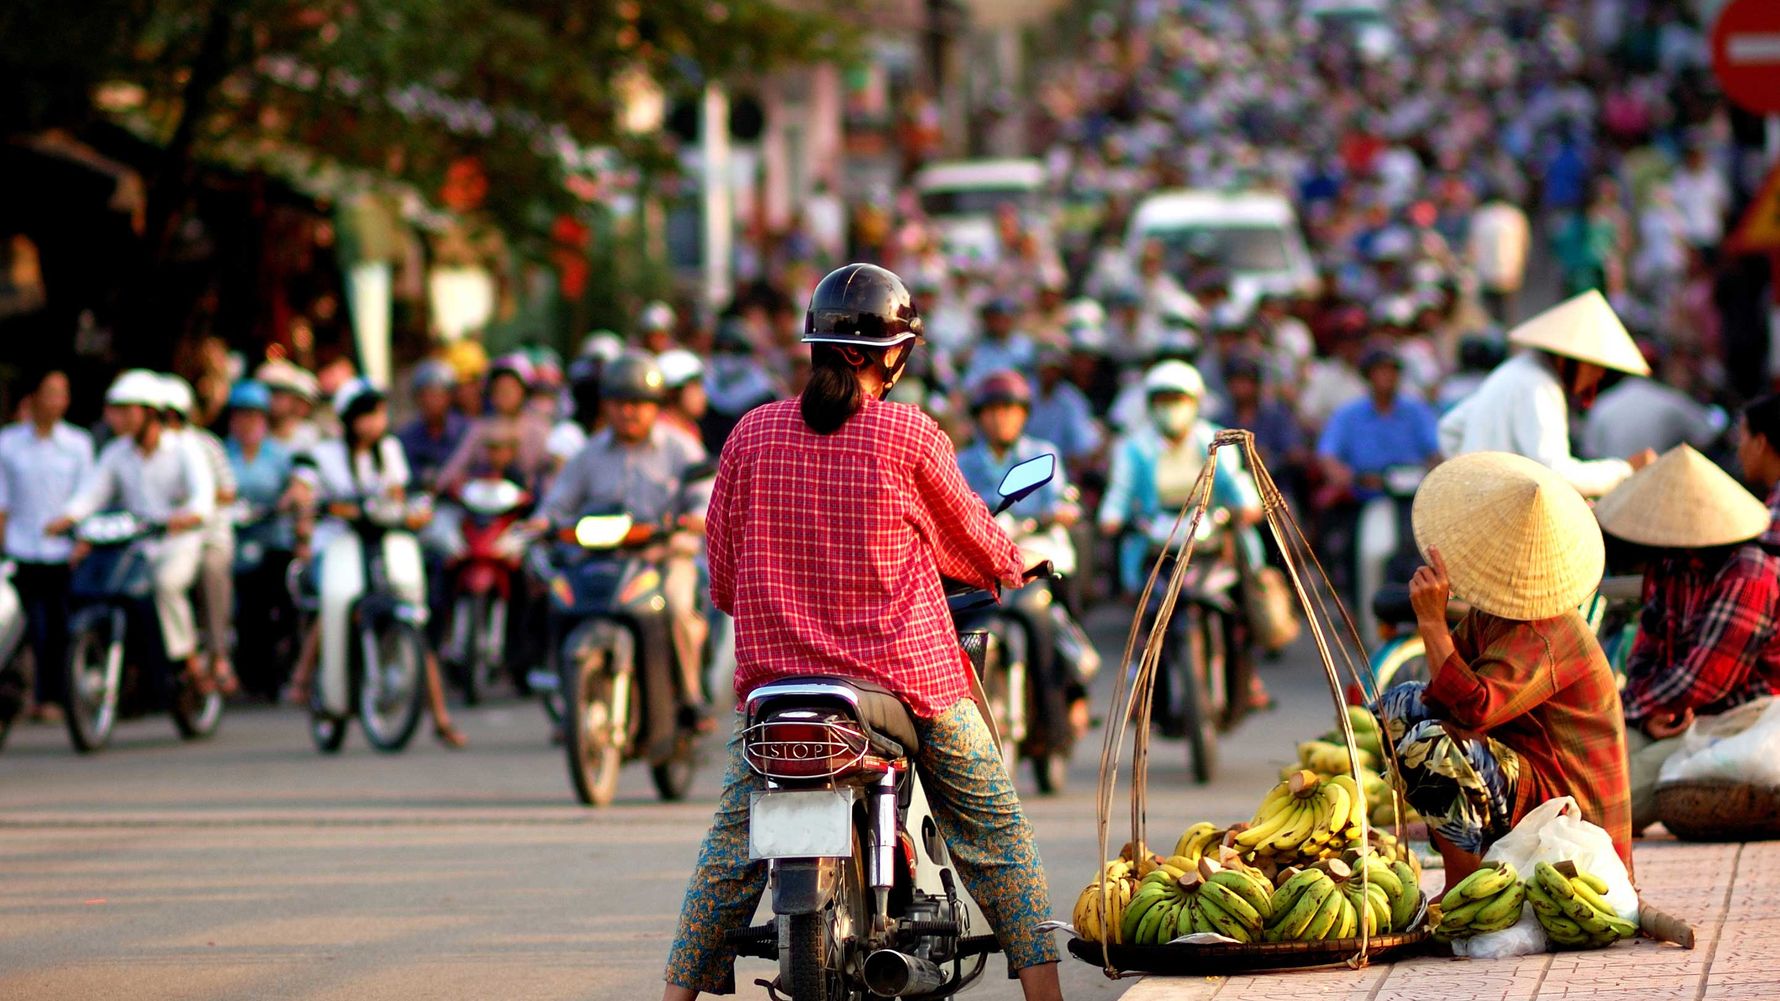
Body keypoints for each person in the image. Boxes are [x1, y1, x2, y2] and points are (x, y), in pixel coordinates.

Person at [662, 264, 1063, 1001]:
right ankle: (1046, 991)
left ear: (816, 346)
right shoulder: (910, 433)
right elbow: (973, 542)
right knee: (998, 836)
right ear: (892, 354)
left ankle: (676, 995)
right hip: (902, 680)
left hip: (780, 693)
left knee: (727, 856)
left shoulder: (751, 434)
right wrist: (1019, 560)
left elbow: (721, 578)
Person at [1375, 451, 1631, 886]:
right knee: (1400, 707)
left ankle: (1463, 891)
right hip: (1531, 785)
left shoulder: (1545, 632)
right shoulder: (1491, 615)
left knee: (1435, 748)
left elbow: (1474, 711)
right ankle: (1473, 858)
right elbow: (1443, 694)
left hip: (1575, 825)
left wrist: (1433, 624)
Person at [1602, 432, 1780, 833]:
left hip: (1738, 722)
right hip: (1674, 714)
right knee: (1585, 766)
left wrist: (1634, 709)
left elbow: (1703, 679)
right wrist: (1643, 716)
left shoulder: (1749, 571)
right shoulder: (1671, 565)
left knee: (1612, 802)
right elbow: (1644, 657)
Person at [285, 379, 464, 747]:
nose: (373, 423)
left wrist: (410, 512)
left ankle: (440, 716)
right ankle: (305, 676)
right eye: (366, 415)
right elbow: (301, 487)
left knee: (413, 613)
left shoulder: (390, 450)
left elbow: (398, 496)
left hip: (384, 541)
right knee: (335, 599)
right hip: (337, 542)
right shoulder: (325, 453)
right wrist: (304, 503)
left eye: (378, 415)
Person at [537, 354, 710, 724]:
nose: (628, 412)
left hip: (663, 555)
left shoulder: (680, 448)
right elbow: (559, 502)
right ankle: (560, 682)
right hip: (601, 557)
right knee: (558, 593)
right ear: (606, 405)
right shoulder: (588, 454)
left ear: (655, 407)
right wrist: (541, 523)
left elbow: (704, 495)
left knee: (679, 606)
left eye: (638, 404)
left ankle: (691, 697)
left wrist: (692, 517)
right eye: (619, 403)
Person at [46, 369, 218, 693]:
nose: (118, 418)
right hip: (134, 545)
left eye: (127, 410)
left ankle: (188, 662)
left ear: (150, 413)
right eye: (116, 410)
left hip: (177, 541)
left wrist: (187, 516)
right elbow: (92, 493)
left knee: (166, 585)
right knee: (103, 588)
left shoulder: (185, 448)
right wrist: (67, 518)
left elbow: (202, 499)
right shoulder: (116, 452)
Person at [1438, 290, 1657, 498]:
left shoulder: (1516, 370)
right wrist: (1624, 470)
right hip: (1504, 515)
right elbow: (1556, 474)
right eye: (1596, 368)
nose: (1598, 377)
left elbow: (1450, 428)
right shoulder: (1539, 385)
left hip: (1481, 505)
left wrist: (1473, 476)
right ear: (1574, 359)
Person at [1098, 361, 1261, 595]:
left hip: (1210, 524)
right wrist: (1111, 518)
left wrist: (1247, 506)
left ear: (1194, 403)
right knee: (1137, 588)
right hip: (1156, 530)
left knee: (1248, 565)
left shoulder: (1215, 440)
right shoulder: (1134, 447)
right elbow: (1120, 491)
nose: (1171, 408)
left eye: (1178, 400)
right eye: (1163, 400)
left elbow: (1236, 480)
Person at [0, 370, 93, 721]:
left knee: (56, 627)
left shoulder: (78, 444)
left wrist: (82, 538)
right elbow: (2, 501)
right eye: (51, 392)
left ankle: (52, 697)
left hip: (62, 552)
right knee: (20, 627)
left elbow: (87, 495)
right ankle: (19, 695)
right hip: (21, 549)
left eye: (63, 393)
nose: (58, 400)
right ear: (33, 397)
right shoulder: (8, 443)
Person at [160, 374, 242, 696]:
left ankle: (219, 655)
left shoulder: (204, 444)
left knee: (212, 569)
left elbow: (228, 490)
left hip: (208, 532)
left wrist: (197, 505)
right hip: (161, 537)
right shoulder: (141, 450)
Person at [435, 354, 554, 495]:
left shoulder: (539, 428)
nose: (505, 394)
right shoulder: (480, 428)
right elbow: (456, 465)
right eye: (499, 389)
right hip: (485, 499)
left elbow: (551, 470)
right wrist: (442, 486)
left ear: (523, 390)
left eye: (511, 388)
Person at [395, 360, 468, 493]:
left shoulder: (467, 430)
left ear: (450, 397)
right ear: (417, 398)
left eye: (439, 394)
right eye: (426, 395)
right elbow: (404, 476)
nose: (432, 401)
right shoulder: (405, 436)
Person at [255, 359, 322, 457]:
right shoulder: (251, 436)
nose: (274, 399)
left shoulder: (309, 435)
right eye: (270, 392)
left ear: (293, 398)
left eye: (281, 394)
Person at [654, 349, 709, 448]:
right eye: (695, 386)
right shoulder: (659, 432)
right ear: (673, 393)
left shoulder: (691, 428)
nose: (702, 395)